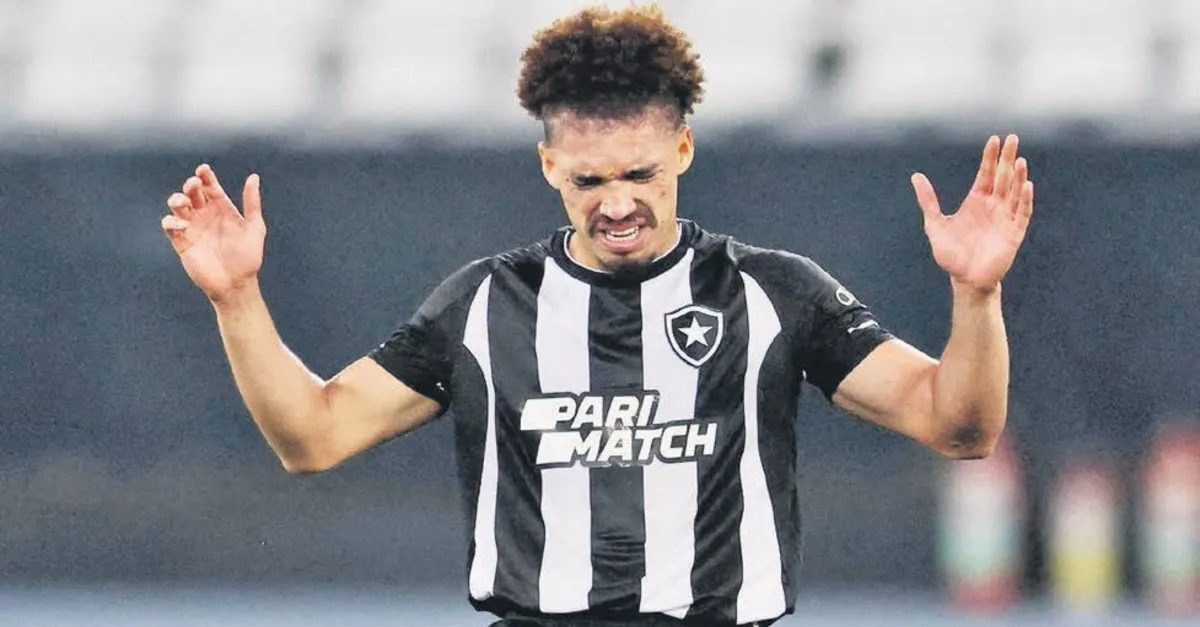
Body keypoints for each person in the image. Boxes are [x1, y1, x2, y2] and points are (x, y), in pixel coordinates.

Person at [161, 5, 1034, 626]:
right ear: (549, 166)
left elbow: (957, 426)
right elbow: (312, 437)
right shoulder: (485, 303)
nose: (617, 204)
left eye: (641, 173)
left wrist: (976, 294)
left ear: (683, 149)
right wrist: (236, 298)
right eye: (590, 180)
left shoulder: (772, 293)